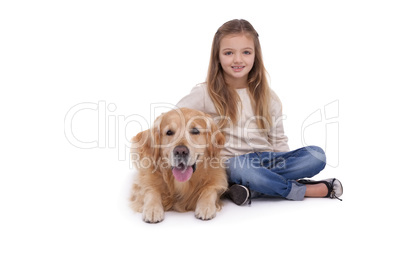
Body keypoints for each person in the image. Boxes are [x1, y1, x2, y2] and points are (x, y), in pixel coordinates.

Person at [176, 19, 342, 205]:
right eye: (229, 53)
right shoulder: (205, 94)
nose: (238, 60)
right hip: (231, 164)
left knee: (316, 156)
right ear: (218, 56)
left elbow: (278, 141)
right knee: (244, 169)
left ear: (255, 55)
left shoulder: (269, 97)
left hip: (268, 160)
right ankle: (302, 190)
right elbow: (175, 121)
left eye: (246, 52)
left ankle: (250, 190)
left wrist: (283, 161)